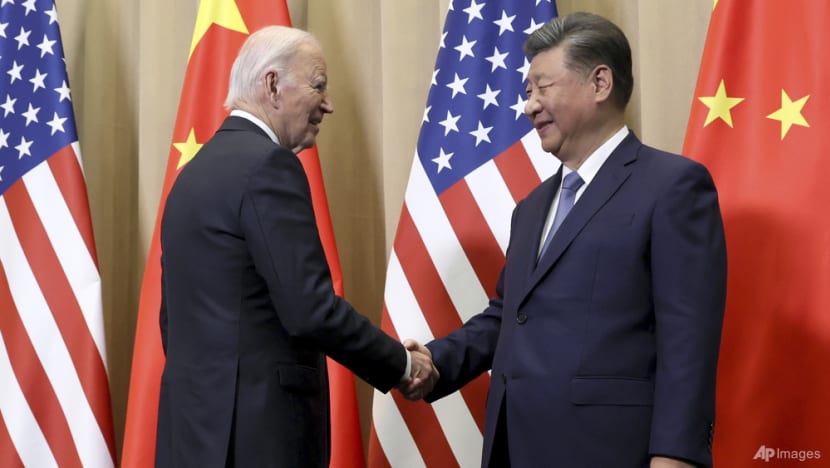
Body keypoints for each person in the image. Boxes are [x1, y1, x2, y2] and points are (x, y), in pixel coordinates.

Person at [403, 12, 727, 468]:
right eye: (527, 92)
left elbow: (688, 340)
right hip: (515, 448)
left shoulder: (672, 186)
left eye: (542, 87)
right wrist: (435, 361)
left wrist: (676, 456)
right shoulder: (532, 207)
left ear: (600, 83)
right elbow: (509, 316)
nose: (529, 107)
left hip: (610, 452)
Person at [155, 25, 438, 468]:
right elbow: (310, 309)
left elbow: (172, 320)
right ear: (272, 85)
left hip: (190, 436)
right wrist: (401, 365)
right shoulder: (269, 166)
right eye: (318, 85)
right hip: (258, 439)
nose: (328, 104)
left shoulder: (190, 175)